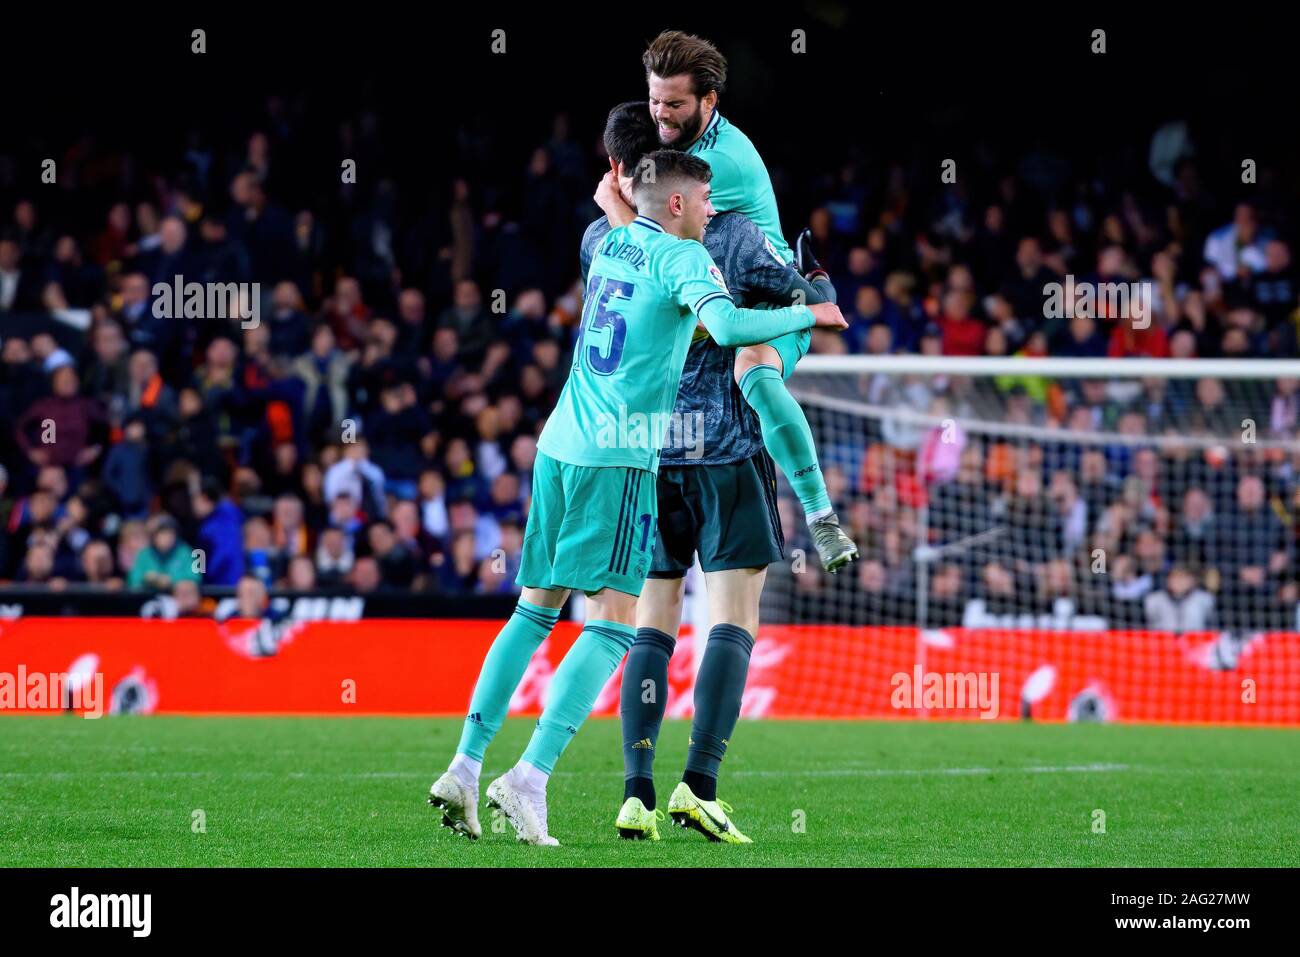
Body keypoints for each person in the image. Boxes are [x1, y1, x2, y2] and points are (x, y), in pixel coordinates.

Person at [427, 149, 846, 846]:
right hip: (618, 457)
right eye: (706, 199)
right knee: (617, 626)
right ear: (678, 204)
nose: (714, 211)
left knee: (533, 613)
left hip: (559, 444)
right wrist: (812, 312)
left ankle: (464, 766)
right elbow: (735, 328)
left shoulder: (614, 239)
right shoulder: (685, 261)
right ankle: (527, 778)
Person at [589, 102, 837, 842]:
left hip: (645, 451)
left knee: (651, 623)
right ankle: (698, 785)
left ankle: (635, 790)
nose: (708, 193)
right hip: (724, 450)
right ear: (677, 188)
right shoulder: (720, 236)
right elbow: (794, 297)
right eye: (699, 183)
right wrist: (812, 301)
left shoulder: (603, 241)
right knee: (732, 616)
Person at [625, 30, 858, 572]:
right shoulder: (669, 145)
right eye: (655, 99)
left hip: (772, 298)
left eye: (675, 103)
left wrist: (614, 193)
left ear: (710, 100)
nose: (661, 112)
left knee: (752, 372)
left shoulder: (719, 162)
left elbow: (638, 228)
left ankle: (821, 518)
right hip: (710, 300)